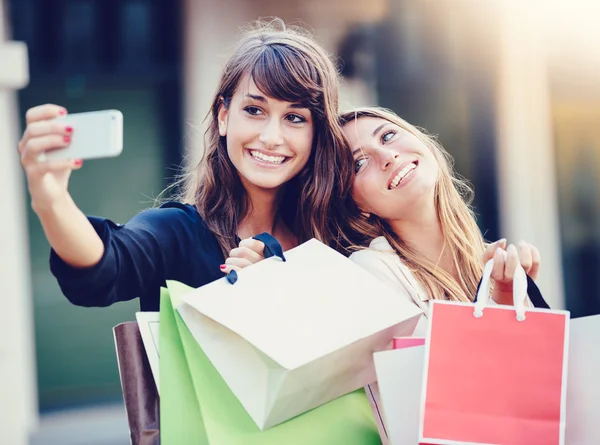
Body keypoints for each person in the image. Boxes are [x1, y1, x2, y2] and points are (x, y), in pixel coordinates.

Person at [18, 19, 352, 311]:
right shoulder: (177, 232)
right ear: (224, 117)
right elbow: (106, 265)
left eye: (294, 118)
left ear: (317, 133)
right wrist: (51, 200)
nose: (270, 137)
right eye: (254, 110)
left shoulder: (337, 237)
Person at [337, 107, 540, 333]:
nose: (388, 157)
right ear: (357, 205)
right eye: (360, 163)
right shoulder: (370, 270)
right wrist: (504, 298)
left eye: (387, 136)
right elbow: (440, 367)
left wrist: (517, 297)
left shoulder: (489, 264)